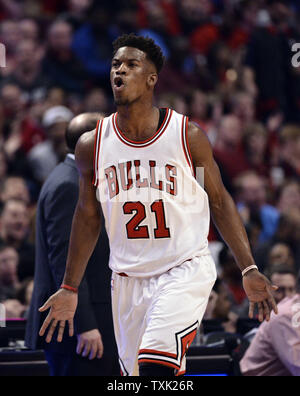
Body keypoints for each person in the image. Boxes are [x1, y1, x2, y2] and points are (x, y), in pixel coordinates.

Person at [39, 34, 278, 377]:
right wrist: (69, 286)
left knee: (156, 365)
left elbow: (219, 201)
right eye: (115, 65)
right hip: (126, 280)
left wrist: (248, 268)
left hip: (182, 269)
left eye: (131, 65)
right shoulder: (92, 145)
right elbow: (87, 217)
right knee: (138, 378)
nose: (119, 71)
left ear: (151, 78)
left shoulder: (186, 136)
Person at [26, 112, 119, 376]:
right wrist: (84, 325)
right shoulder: (68, 185)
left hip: (85, 324)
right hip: (78, 330)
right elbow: (65, 261)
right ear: (92, 144)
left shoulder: (74, 178)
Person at [240, 274, 300, 376]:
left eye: (290, 289)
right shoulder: (286, 316)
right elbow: (298, 367)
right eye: (280, 289)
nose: (286, 294)